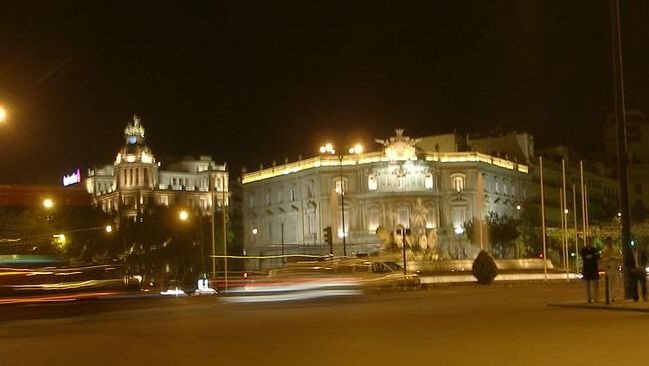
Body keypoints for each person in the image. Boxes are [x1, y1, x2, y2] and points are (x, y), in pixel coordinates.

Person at [599, 236, 621, 302]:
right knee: (610, 284)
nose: (610, 243)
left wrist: (614, 258)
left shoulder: (616, 249)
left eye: (611, 241)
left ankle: (613, 295)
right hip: (609, 268)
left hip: (616, 268)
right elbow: (602, 260)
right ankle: (611, 297)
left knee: (618, 283)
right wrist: (608, 260)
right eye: (609, 242)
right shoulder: (604, 250)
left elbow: (620, 257)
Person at [580, 238, 600, 303]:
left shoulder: (594, 249)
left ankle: (595, 298)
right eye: (588, 241)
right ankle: (589, 298)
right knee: (587, 285)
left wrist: (592, 256)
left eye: (590, 241)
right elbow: (584, 257)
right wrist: (591, 256)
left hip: (594, 268)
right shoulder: (584, 250)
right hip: (587, 268)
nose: (589, 242)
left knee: (595, 284)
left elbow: (597, 256)